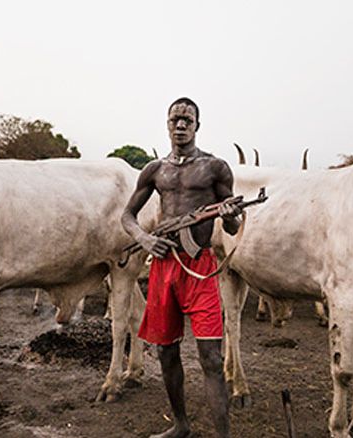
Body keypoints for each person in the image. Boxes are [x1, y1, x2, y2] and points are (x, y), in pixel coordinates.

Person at [122, 97, 240, 438]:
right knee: (166, 351)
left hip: (200, 268)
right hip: (163, 267)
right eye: (175, 118)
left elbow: (232, 225)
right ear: (167, 124)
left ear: (197, 126)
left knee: (212, 360)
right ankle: (181, 426)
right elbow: (127, 216)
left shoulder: (216, 168)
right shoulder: (155, 170)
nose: (181, 124)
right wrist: (145, 240)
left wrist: (231, 219)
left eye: (187, 119)